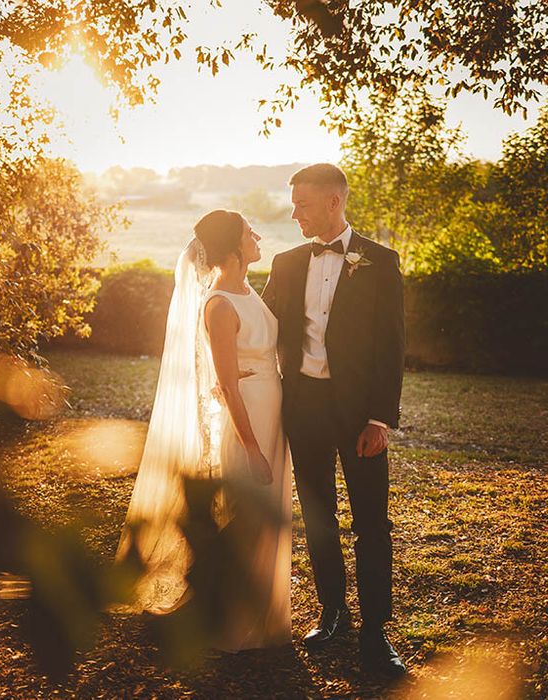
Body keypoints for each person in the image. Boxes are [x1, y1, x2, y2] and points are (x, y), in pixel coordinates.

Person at [115, 209, 293, 652]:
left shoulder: (249, 290)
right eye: (249, 231)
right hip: (246, 421)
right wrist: (251, 447)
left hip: (273, 412)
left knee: (269, 521)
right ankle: (230, 625)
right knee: (245, 517)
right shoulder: (218, 304)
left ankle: (264, 619)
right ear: (233, 245)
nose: (257, 236)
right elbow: (229, 385)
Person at [262, 163, 406, 677]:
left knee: (372, 523)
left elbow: (391, 348)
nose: (294, 211)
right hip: (304, 411)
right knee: (319, 518)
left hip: (359, 415)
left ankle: (376, 631)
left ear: (333, 202)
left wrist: (379, 420)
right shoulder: (285, 262)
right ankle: (334, 613)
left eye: (302, 202)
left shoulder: (382, 262)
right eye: (293, 202)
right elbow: (261, 328)